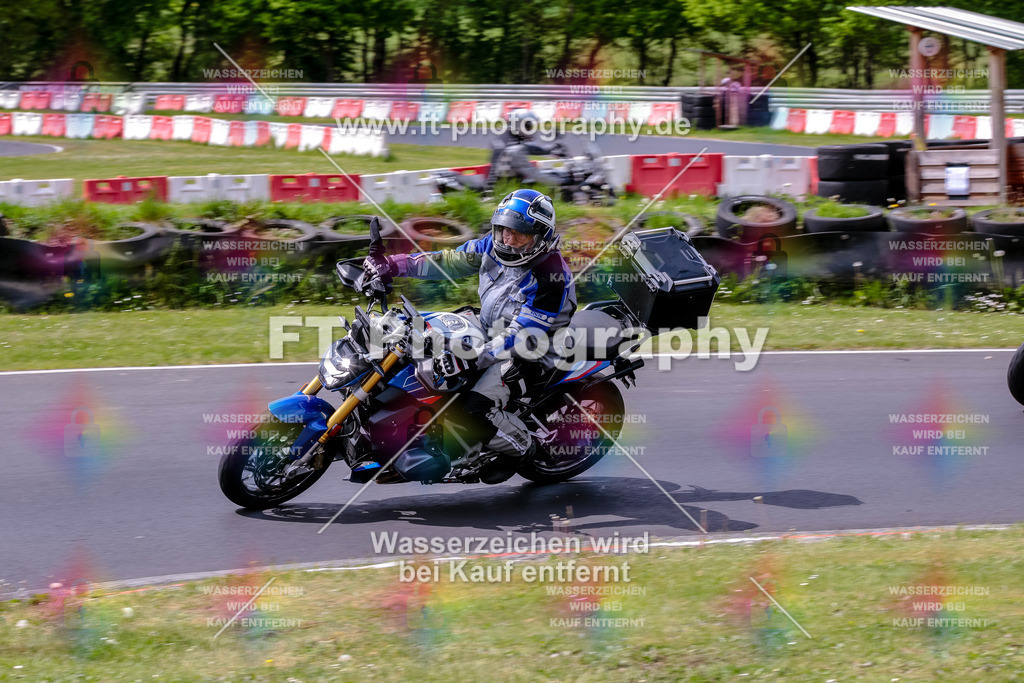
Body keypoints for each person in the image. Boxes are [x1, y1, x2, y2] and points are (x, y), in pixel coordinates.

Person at [362, 188, 577, 484]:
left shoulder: (551, 276)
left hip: (532, 351)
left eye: (519, 235)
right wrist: (392, 266)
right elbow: (447, 261)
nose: (508, 240)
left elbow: (524, 334)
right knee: (413, 342)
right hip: (488, 328)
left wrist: (475, 356)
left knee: (474, 409)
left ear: (541, 237)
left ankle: (523, 449)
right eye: (504, 231)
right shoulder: (493, 245)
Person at [486, 109, 570, 192]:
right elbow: (533, 173)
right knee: (547, 185)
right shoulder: (515, 148)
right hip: (508, 190)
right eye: (529, 126)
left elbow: (529, 148)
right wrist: (561, 181)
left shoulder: (507, 139)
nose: (531, 130)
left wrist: (551, 148)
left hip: (504, 185)